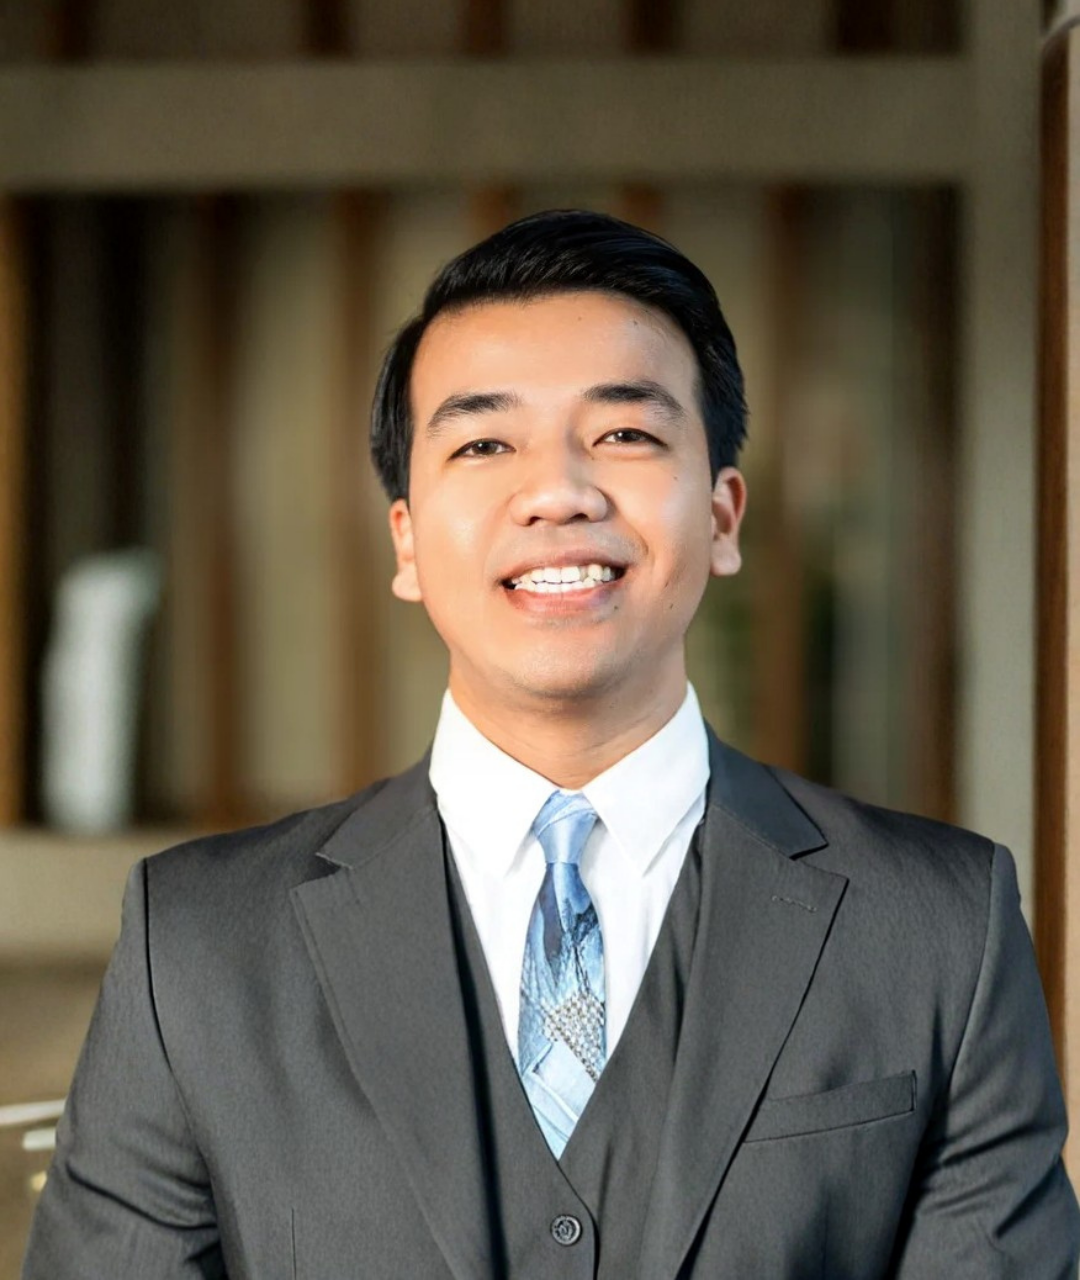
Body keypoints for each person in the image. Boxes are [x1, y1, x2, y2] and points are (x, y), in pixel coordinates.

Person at [24, 210, 1080, 1278]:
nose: (559, 492)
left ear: (721, 515)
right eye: (484, 443)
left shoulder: (941, 925)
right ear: (407, 540)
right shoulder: (198, 946)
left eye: (624, 434)